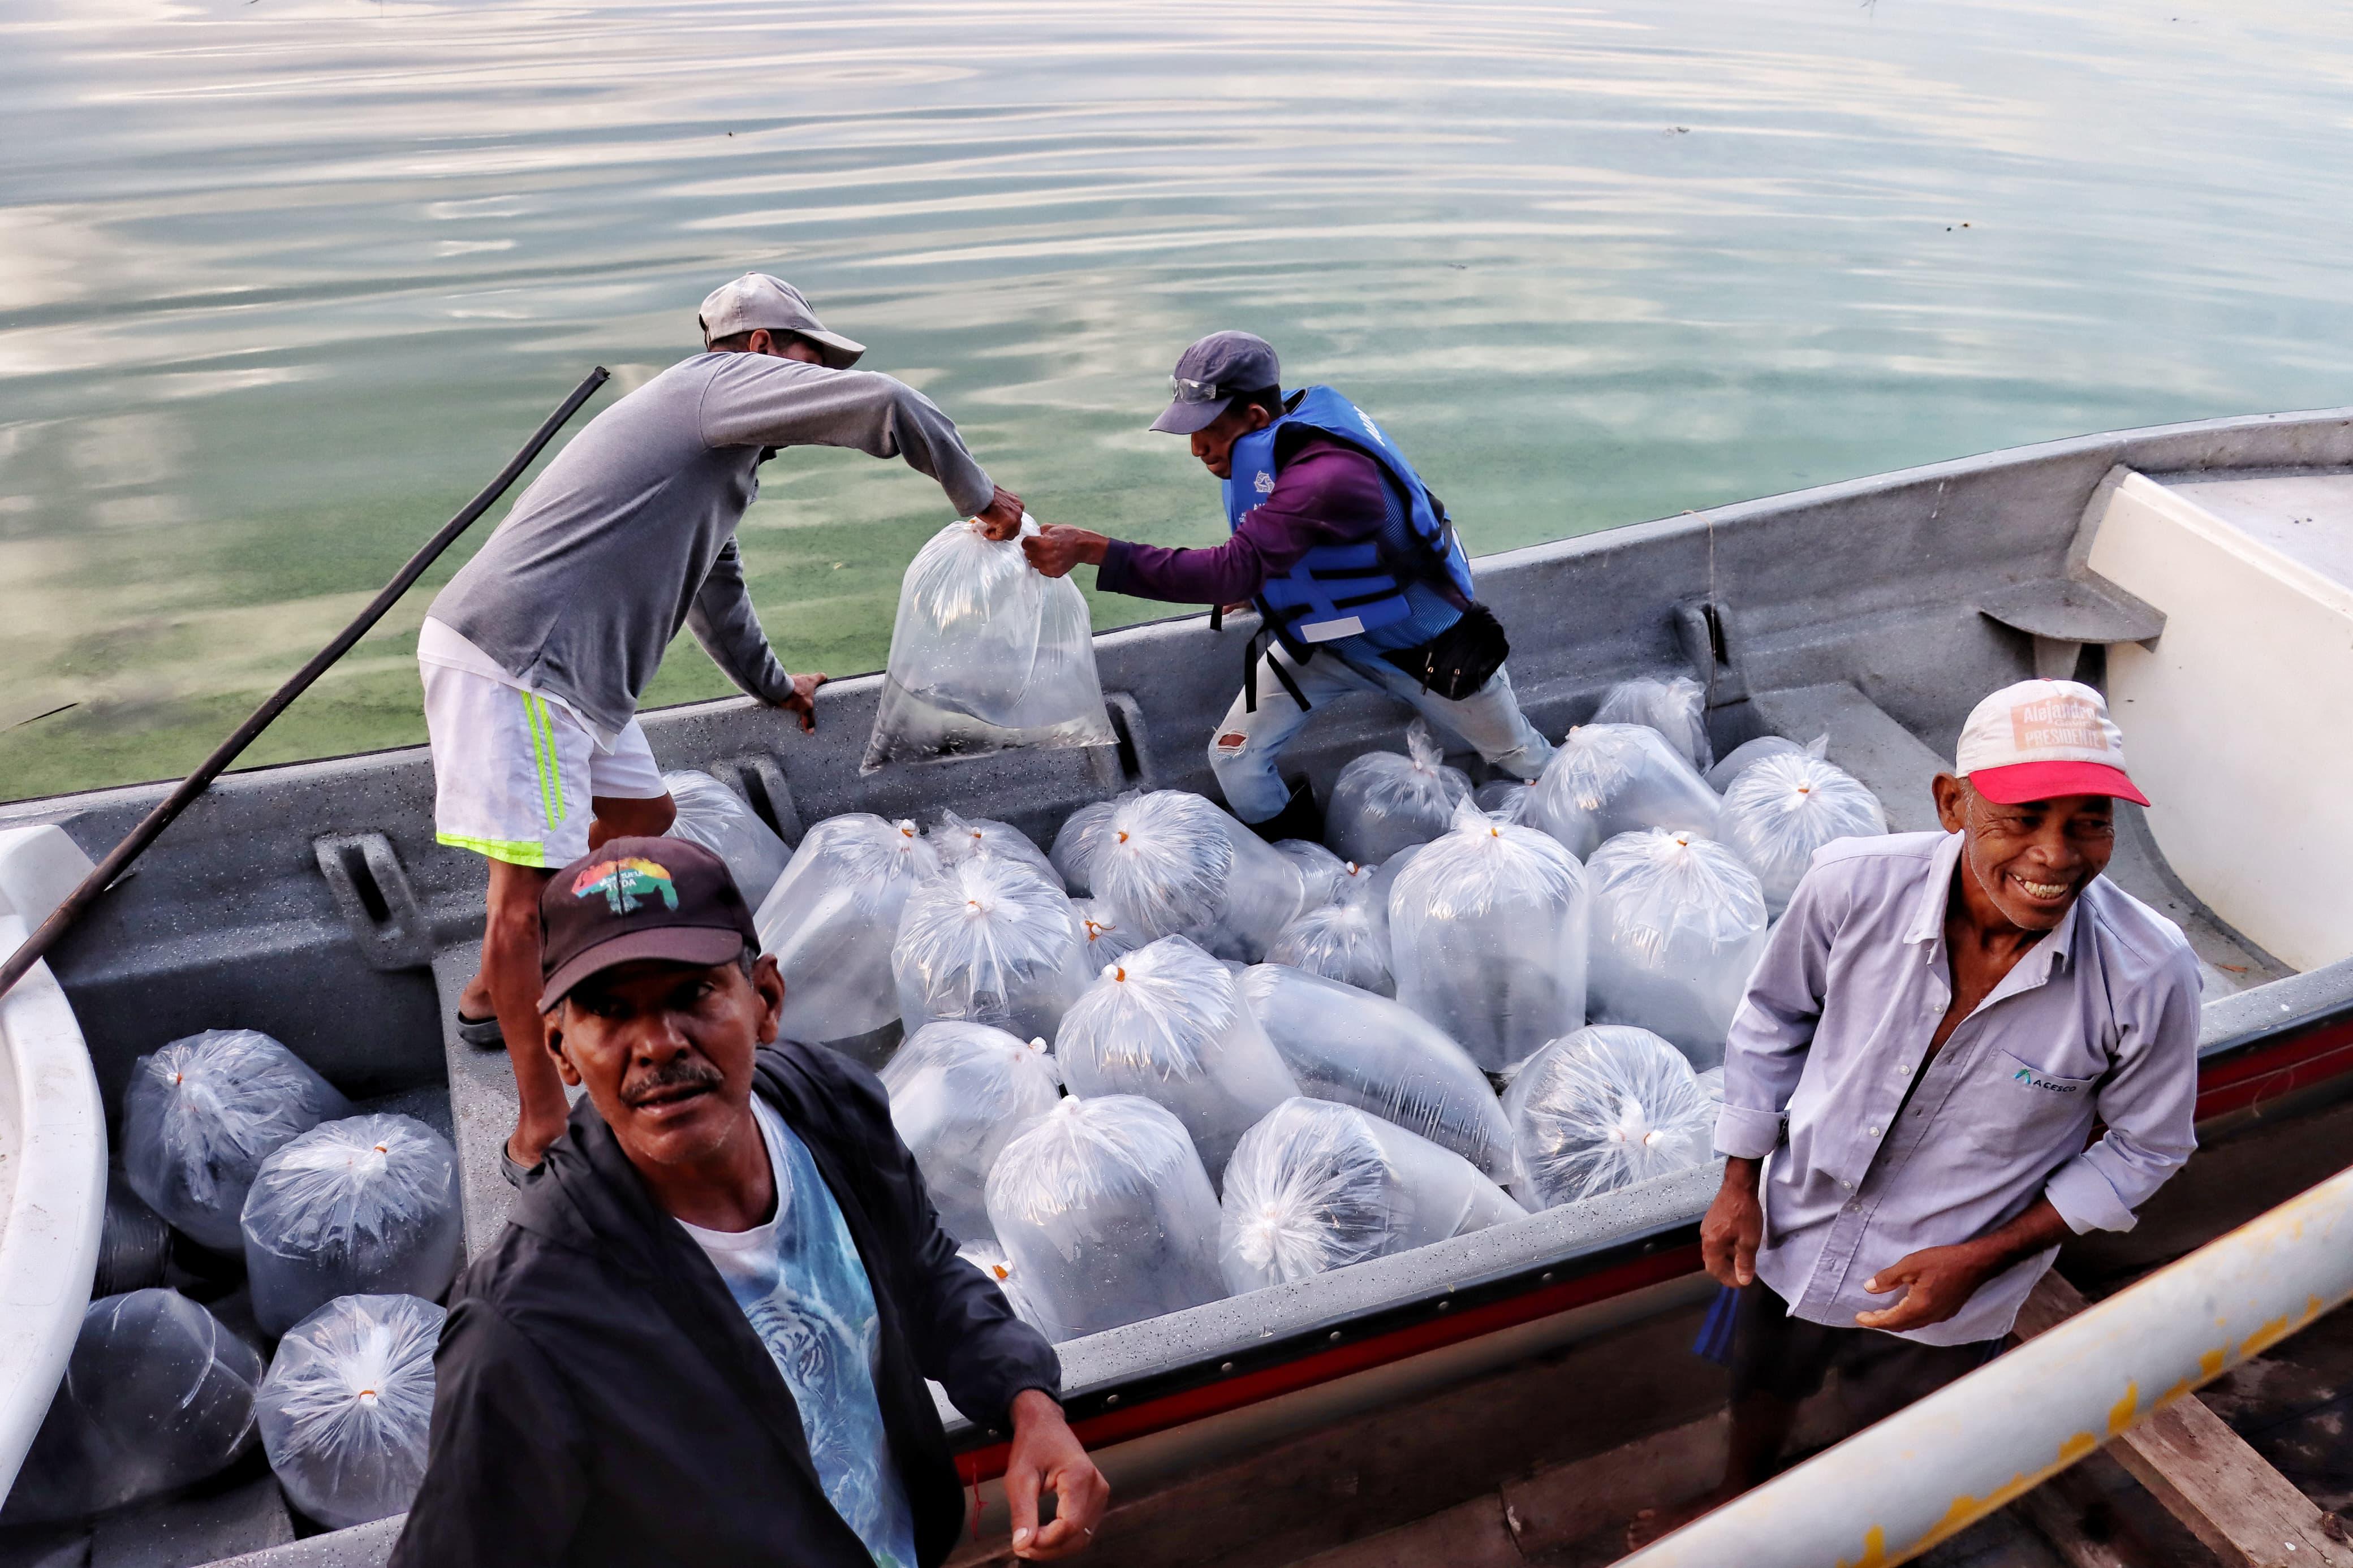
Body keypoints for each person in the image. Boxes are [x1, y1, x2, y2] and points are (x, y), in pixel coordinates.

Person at [419, 273, 1025, 1170]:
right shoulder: (708, 388)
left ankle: (488, 991)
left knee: (643, 823)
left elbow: (717, 598)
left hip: (583, 680)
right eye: (811, 360)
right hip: (524, 666)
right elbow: (891, 405)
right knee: (521, 900)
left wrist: (775, 689)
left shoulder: (711, 462)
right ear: (761, 349)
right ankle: (540, 1117)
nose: (817, 381)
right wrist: (981, 499)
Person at [391, 836, 1107, 1568]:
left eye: (692, 993)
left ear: (764, 1000)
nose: (659, 1044)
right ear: (562, 1048)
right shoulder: (527, 1322)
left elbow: (921, 1272)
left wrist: (1028, 1400)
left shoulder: (829, 1106)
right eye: (609, 1011)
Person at [1628, 679, 2201, 1548]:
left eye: (2089, 822)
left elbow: (2146, 1147)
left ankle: (1854, 1541)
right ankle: (1736, 1503)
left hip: (1952, 1283)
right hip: (1794, 1224)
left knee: (1899, 1442)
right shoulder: (1851, 886)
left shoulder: (2148, 971)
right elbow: (1774, 1017)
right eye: (2022, 817)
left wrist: (1987, 1256)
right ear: (1952, 803)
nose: (2056, 856)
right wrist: (1739, 1180)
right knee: (1762, 1379)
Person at [1021, 331, 1552, 841]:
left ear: (1255, 418)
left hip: (1431, 656)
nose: (1195, 449)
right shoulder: (1272, 451)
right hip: (1326, 643)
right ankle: (1307, 860)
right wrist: (1263, 587)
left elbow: (1232, 566)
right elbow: (1278, 551)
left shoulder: (1328, 475)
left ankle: (1573, 822)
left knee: (1524, 758)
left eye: (1205, 430)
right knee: (1235, 759)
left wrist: (1095, 550)